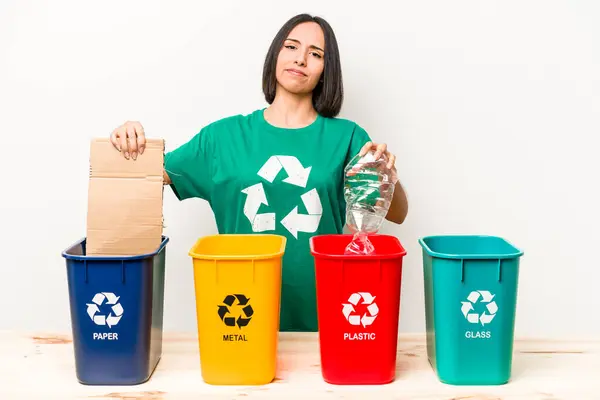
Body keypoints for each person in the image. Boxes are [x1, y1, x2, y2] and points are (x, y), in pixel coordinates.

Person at [109, 13, 409, 332]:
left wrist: (389, 176)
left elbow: (398, 214)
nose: (301, 58)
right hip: (240, 311)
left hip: (325, 311)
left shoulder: (347, 137)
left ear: (326, 70)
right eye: (291, 46)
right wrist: (126, 142)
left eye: (316, 53)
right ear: (275, 55)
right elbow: (144, 178)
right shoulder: (223, 137)